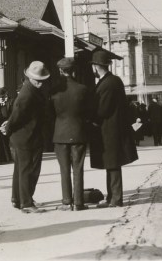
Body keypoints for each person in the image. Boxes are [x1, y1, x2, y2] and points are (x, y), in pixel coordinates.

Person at [89, 50, 138, 208]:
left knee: (113, 164)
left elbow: (103, 109)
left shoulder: (107, 84)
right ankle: (111, 197)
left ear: (96, 67)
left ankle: (116, 199)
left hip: (109, 130)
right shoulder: (113, 81)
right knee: (111, 164)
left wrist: (91, 119)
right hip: (113, 129)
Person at [3, 61, 51, 213]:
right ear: (30, 77)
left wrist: (9, 127)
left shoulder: (30, 89)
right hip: (27, 137)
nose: (40, 83)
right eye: (38, 80)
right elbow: (17, 115)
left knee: (21, 169)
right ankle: (27, 203)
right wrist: (8, 127)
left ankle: (18, 199)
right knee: (29, 170)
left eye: (42, 80)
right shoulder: (28, 93)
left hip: (24, 136)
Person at [50, 57, 91, 211]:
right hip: (78, 133)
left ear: (60, 70)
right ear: (73, 71)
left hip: (60, 134)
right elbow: (88, 112)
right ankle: (79, 203)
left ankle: (67, 202)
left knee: (64, 169)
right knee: (78, 168)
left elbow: (50, 113)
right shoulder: (82, 89)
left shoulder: (54, 90)